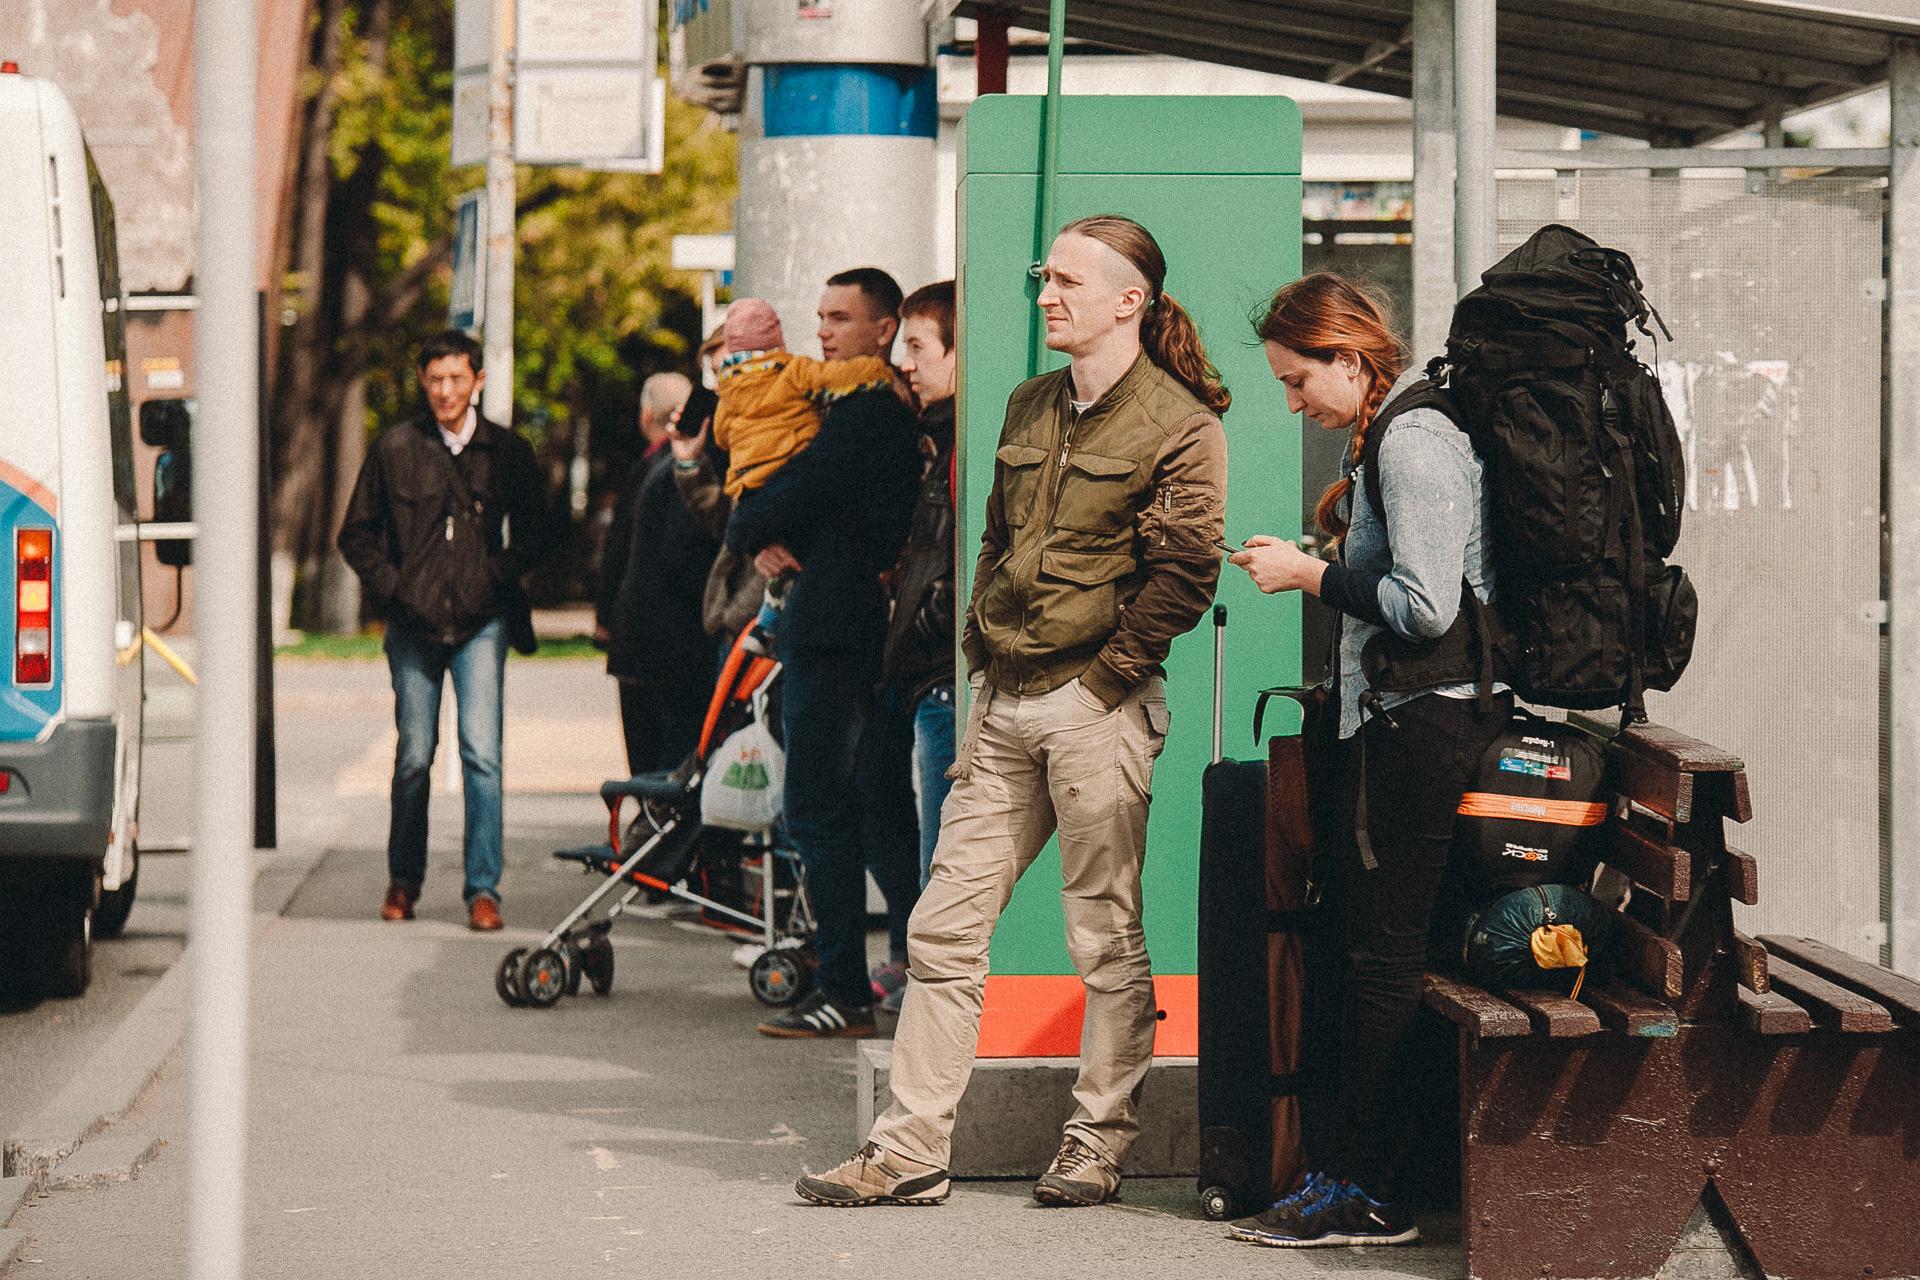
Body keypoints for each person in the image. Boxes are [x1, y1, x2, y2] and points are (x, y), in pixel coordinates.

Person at [796, 216, 1228, 1209]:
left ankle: (1095, 1138)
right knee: (942, 928)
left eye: (1068, 280)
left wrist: (1105, 679)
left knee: (1103, 935)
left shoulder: (1179, 422)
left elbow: (1187, 573)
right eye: (1045, 277)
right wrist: (985, 665)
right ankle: (908, 1149)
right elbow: (990, 538)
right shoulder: (1030, 401)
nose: (1046, 294)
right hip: (1004, 704)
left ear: (1130, 299)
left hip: (1095, 705)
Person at [1222, 272, 1508, 1248]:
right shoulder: (1383, 430)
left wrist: (1310, 574)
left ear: (1350, 358)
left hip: (1421, 727)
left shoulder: (1414, 437)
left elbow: (1427, 606)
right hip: (1386, 723)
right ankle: (1352, 1173)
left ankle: (1374, 1192)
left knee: (1384, 959)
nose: (1293, 402)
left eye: (1300, 381)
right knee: (1357, 949)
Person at [725, 267, 922, 1040]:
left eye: (841, 318)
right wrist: (767, 526)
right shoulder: (853, 407)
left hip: (836, 632)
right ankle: (899, 963)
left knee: (818, 805)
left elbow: (783, 496)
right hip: (851, 626)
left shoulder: (866, 413)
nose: (825, 331)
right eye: (820, 316)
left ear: (885, 329)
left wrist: (755, 528)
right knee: (874, 805)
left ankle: (844, 987)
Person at [338, 328, 551, 932]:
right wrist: (397, 588)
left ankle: (483, 890)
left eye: (457, 378)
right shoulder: (396, 448)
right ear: (423, 383)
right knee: (413, 755)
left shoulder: (508, 452)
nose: (445, 391)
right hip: (412, 626)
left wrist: (495, 577)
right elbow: (355, 534)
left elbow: (538, 532)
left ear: (478, 381)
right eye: (434, 380)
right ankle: (403, 881)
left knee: (483, 755)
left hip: (482, 623)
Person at [710, 297, 897, 653]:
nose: (822, 332)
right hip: (784, 473)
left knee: (782, 558)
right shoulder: (791, 371)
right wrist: (880, 372)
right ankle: (768, 622)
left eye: (838, 317)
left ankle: (766, 623)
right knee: (795, 553)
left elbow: (721, 435)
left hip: (749, 485)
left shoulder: (729, 390)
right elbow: (835, 377)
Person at [596, 371, 715, 776]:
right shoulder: (674, 467)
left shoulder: (657, 469)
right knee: (673, 760)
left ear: (647, 415)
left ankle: (656, 836)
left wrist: (606, 618)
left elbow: (623, 551)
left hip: (652, 639)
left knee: (656, 766)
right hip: (672, 635)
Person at [881, 279, 959, 894]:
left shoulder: (964, 441)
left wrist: (927, 625)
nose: (903, 363)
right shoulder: (936, 436)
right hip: (933, 675)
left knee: (944, 866)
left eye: (917, 345)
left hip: (943, 677)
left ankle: (928, 986)